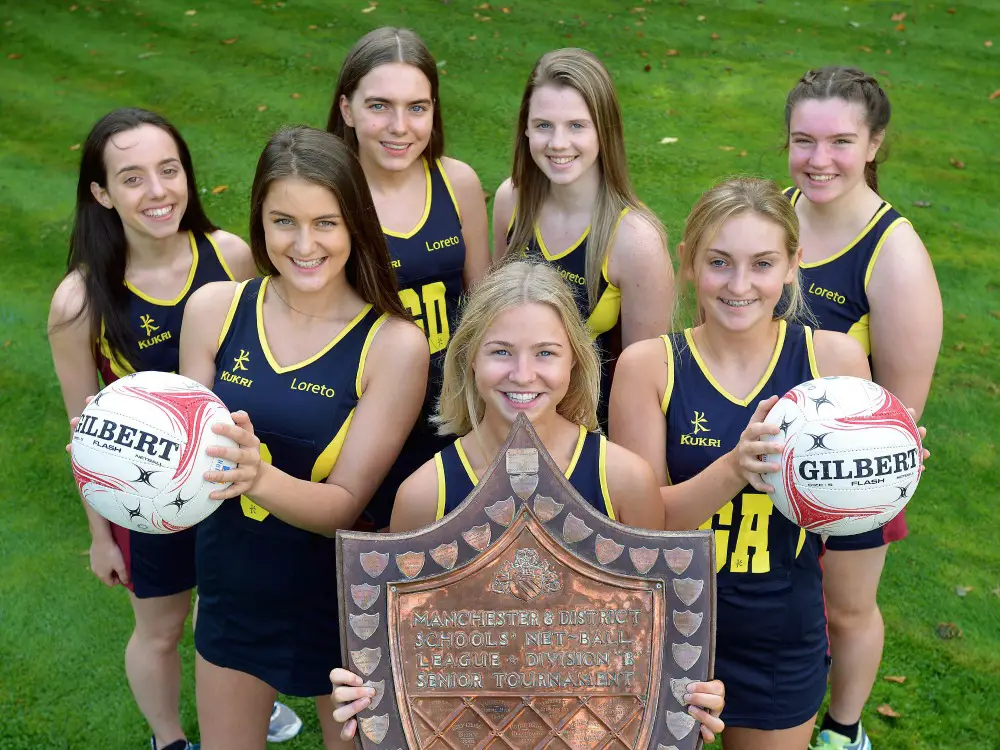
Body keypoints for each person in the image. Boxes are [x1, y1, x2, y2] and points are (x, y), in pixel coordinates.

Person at [329, 261, 726, 746]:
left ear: (575, 361)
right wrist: (371, 691)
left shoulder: (621, 479)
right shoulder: (425, 493)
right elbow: (407, 644)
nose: (523, 374)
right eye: (501, 352)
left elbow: (656, 629)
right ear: (468, 358)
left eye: (545, 353)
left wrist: (687, 694)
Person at [610, 177, 925, 750]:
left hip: (779, 631)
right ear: (687, 262)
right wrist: (734, 468)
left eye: (761, 264)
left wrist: (890, 468)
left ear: (792, 264)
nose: (739, 285)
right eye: (719, 262)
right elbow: (642, 528)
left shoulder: (832, 359)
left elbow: (854, 511)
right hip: (664, 623)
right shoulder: (648, 367)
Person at [178, 126, 429, 750]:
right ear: (259, 221)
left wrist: (257, 476)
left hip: (340, 597)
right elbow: (182, 453)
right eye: (283, 221)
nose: (305, 243)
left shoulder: (394, 344)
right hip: (233, 577)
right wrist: (123, 451)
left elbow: (344, 505)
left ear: (355, 224)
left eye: (326, 222)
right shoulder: (215, 308)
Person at [48, 107, 256, 750]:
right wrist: (101, 537)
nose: (158, 191)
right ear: (102, 194)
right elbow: (84, 432)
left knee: (236, 614)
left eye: (169, 170)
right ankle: (167, 738)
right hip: (145, 498)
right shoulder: (80, 300)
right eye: (132, 178)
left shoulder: (230, 255)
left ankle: (245, 707)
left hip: (230, 480)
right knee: (162, 629)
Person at [783, 66, 942, 750]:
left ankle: (842, 734)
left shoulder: (894, 254)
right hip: (760, 450)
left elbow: (901, 411)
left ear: (875, 144)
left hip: (847, 470)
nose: (819, 160)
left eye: (840, 142)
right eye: (803, 140)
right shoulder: (773, 213)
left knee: (844, 611)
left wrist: (859, 474)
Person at [327, 26, 491, 529]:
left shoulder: (456, 181)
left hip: (450, 411)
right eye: (380, 106)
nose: (400, 126)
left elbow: (484, 302)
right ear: (347, 109)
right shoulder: (327, 192)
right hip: (359, 417)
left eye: (417, 107)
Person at [492, 48, 674, 428]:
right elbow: (495, 322)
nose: (558, 143)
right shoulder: (512, 200)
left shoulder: (635, 239)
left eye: (577, 125)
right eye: (543, 125)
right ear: (525, 127)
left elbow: (648, 381)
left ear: (604, 131)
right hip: (509, 417)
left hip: (591, 432)